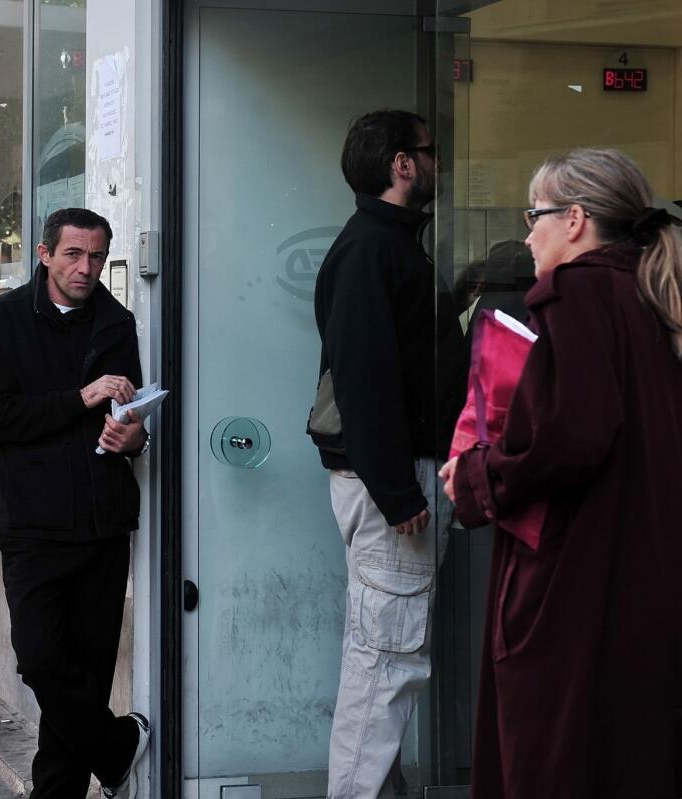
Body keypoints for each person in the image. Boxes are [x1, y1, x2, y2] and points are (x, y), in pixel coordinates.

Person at [441, 149, 682, 798]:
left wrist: (473, 476)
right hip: (645, 574)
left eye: (536, 215)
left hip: (577, 580)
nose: (527, 233)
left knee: (554, 759)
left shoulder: (576, 294)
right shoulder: (653, 295)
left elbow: (571, 435)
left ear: (574, 219)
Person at [0, 208, 150, 798]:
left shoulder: (117, 322)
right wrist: (80, 398)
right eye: (74, 254)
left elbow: (130, 413)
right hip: (32, 523)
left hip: (102, 520)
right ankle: (117, 746)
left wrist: (133, 436)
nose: (86, 268)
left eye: (96, 257)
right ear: (45, 254)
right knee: (41, 660)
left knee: (88, 680)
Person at [311, 109, 466, 798]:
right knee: (384, 664)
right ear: (403, 164)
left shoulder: (388, 244)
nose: (441, 163)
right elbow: (365, 375)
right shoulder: (373, 248)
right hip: (392, 487)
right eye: (432, 152)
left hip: (394, 479)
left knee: (385, 656)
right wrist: (399, 491)